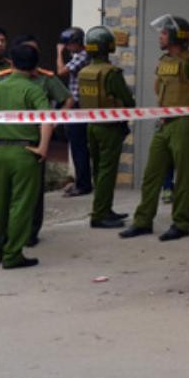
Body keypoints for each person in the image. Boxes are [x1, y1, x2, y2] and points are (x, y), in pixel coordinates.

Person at [120, 15, 189, 241]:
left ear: (175, 36)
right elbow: (158, 87)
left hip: (185, 122)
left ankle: (180, 223)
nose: (159, 37)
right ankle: (143, 221)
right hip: (164, 121)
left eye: (163, 33)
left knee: (184, 175)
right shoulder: (163, 60)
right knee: (152, 173)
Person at [0, 44, 52, 269]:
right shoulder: (34, 89)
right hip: (25, 152)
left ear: (10, 63)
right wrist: (43, 149)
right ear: (35, 66)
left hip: (0, 151)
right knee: (21, 204)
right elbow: (47, 120)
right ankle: (13, 254)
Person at [7, 34, 73, 245]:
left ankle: (31, 231)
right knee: (8, 191)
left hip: (35, 139)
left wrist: (54, 123)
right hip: (8, 138)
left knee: (34, 192)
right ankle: (11, 231)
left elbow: (68, 99)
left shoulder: (46, 78)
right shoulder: (3, 78)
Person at [77, 26, 133, 229]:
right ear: (108, 47)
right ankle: (100, 215)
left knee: (98, 170)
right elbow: (127, 100)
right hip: (110, 128)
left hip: (92, 126)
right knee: (107, 171)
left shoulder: (84, 72)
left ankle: (104, 208)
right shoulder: (112, 73)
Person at [56, 27, 93, 198]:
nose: (67, 47)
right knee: (76, 145)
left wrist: (59, 53)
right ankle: (81, 181)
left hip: (78, 105)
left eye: (68, 44)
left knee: (78, 146)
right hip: (76, 104)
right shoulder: (78, 56)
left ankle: (83, 184)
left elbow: (61, 71)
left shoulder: (83, 56)